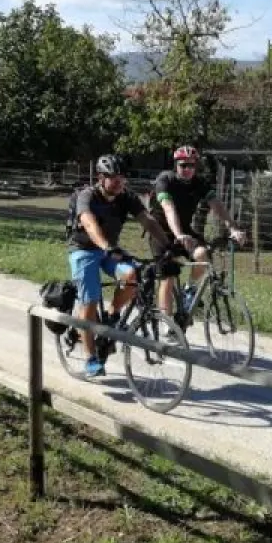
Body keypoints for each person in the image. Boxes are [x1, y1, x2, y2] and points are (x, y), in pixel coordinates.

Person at [67, 153, 173, 377]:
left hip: (109, 251)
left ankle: (112, 317)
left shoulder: (126, 197)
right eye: (113, 178)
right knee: (89, 300)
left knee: (132, 275)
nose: (119, 182)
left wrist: (167, 244)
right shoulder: (87, 196)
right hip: (84, 250)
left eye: (122, 178)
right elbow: (88, 222)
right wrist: (105, 245)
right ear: (100, 177)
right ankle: (90, 357)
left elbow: (148, 220)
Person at [148, 145, 247, 319]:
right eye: (183, 165)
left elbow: (217, 205)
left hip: (184, 231)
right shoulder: (165, 180)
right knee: (169, 277)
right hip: (161, 233)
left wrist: (233, 228)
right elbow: (168, 208)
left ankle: (189, 289)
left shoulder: (199, 183)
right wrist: (178, 235)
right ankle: (168, 323)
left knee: (202, 254)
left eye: (192, 165)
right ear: (176, 165)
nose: (187, 169)